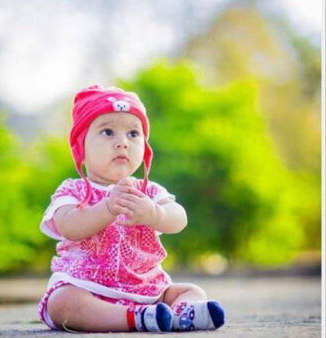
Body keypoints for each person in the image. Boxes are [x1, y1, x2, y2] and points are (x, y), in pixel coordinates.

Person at [38, 85, 225, 332]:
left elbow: (179, 217)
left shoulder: (148, 192)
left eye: (133, 134)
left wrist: (154, 214)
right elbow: (68, 226)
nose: (122, 143)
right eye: (107, 132)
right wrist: (106, 208)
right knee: (61, 303)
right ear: (81, 145)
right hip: (87, 287)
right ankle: (136, 318)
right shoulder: (73, 190)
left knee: (192, 291)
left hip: (147, 289)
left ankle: (178, 315)